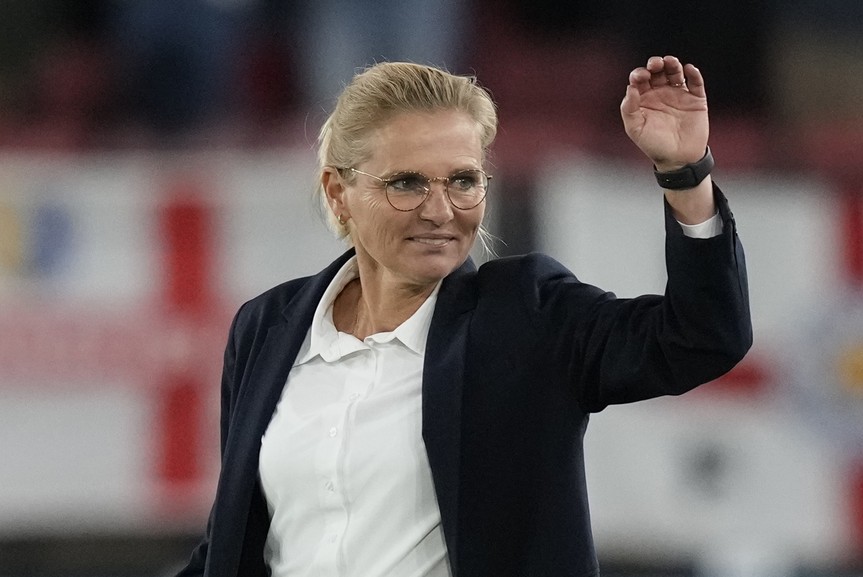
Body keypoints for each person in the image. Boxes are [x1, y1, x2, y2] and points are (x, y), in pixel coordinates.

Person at [175, 56, 752, 577]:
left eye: (463, 181)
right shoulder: (266, 327)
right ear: (338, 193)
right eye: (406, 183)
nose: (439, 210)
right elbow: (235, 543)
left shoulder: (527, 315)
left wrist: (686, 177)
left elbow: (700, 337)